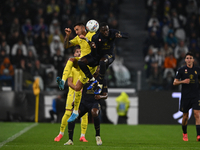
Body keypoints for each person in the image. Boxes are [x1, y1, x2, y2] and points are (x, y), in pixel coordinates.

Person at [56, 22, 97, 122]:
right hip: (82, 62)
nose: (76, 32)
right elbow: (66, 46)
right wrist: (67, 35)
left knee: (78, 87)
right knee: (71, 60)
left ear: (84, 28)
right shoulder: (78, 38)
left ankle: (75, 113)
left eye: (77, 30)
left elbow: (96, 47)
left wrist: (86, 39)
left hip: (91, 65)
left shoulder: (92, 35)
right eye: (75, 31)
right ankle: (63, 81)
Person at [77, 22, 128, 94]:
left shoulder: (113, 32)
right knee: (80, 62)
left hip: (108, 55)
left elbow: (127, 35)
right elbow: (94, 53)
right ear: (100, 31)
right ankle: (92, 80)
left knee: (103, 61)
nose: (106, 32)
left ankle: (100, 85)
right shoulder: (95, 37)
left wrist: (121, 35)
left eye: (107, 30)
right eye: (104, 31)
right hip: (97, 56)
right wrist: (93, 47)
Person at [64, 66, 108, 146]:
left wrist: (100, 97)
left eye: (98, 68)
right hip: (83, 102)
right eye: (95, 68)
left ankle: (97, 136)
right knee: (73, 116)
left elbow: (106, 95)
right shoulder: (85, 77)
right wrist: (75, 100)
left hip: (94, 102)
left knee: (94, 113)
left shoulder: (102, 79)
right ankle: (70, 140)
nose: (96, 69)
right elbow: (79, 89)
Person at [54, 47, 88, 142]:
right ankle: (61, 134)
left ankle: (82, 136)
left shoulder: (85, 66)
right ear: (74, 54)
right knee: (68, 113)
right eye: (77, 52)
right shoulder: (72, 67)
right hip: (72, 93)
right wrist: (78, 89)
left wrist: (82, 89)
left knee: (84, 115)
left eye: (80, 52)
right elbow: (69, 83)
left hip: (82, 94)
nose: (79, 53)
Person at [173, 52, 200, 141]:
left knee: (197, 114)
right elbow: (175, 82)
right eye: (187, 58)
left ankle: (198, 135)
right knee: (185, 116)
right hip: (186, 96)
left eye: (190, 58)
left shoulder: (197, 70)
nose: (189, 60)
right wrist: (183, 81)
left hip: (196, 95)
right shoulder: (181, 70)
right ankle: (184, 133)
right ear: (185, 60)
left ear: (193, 60)